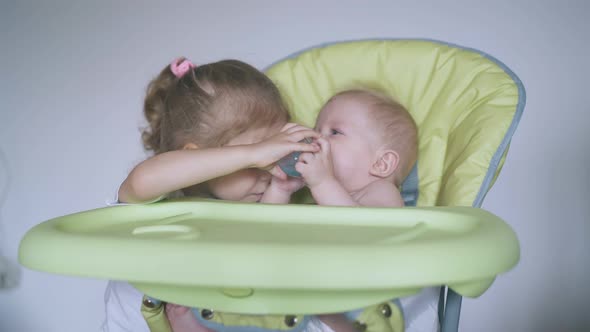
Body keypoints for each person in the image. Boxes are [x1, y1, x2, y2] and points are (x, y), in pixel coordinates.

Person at [102, 57, 358, 332]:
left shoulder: (258, 203)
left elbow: (263, 247)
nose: (267, 169)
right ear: (200, 155)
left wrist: (282, 187)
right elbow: (140, 182)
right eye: (257, 160)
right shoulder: (159, 196)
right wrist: (253, 154)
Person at [297, 89, 440, 332]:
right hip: (315, 317)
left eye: (335, 132)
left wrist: (321, 182)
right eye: (316, 130)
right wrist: (280, 188)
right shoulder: (321, 199)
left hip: (367, 317)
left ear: (382, 163)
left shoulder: (382, 192)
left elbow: (360, 229)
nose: (316, 141)